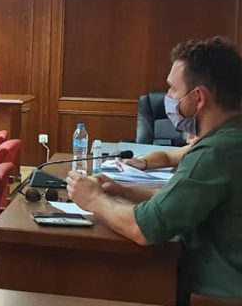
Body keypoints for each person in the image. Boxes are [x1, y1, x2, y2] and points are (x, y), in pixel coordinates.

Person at [67, 37, 242, 304]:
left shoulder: (216, 153)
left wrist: (93, 199)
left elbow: (143, 228)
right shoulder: (229, 139)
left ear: (198, 98)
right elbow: (181, 201)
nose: (168, 97)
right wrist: (124, 191)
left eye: (173, 89)